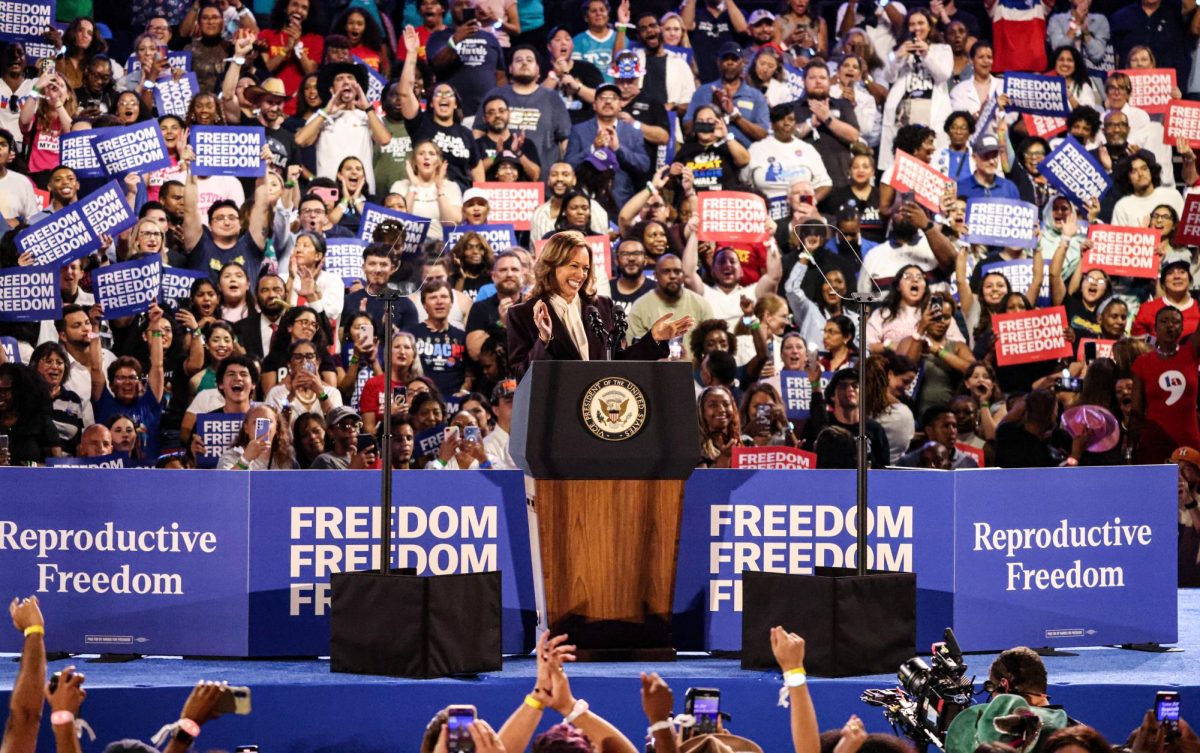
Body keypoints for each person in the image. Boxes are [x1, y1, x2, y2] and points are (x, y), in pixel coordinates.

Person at [508, 231, 693, 377]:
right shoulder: (522, 314)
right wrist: (544, 340)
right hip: (557, 412)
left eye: (585, 268)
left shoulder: (601, 307)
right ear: (552, 265)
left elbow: (618, 361)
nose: (581, 275)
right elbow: (520, 375)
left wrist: (654, 338)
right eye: (574, 266)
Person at [1132, 305, 1200, 463]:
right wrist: (1131, 446)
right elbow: (1136, 412)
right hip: (1153, 444)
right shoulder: (1142, 363)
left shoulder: (1191, 353)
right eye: (1164, 321)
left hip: (1189, 443)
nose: (1170, 325)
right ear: (1155, 328)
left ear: (1183, 327)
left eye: (1175, 322)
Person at [427, 0, 508, 114]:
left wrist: (501, 103)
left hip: (486, 113)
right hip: (453, 113)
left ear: (475, 7)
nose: (464, 8)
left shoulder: (490, 38)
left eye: (468, 5)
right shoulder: (439, 36)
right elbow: (437, 63)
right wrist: (455, 40)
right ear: (450, 9)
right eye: (458, 5)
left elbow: (500, 77)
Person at [801, 369, 890, 467]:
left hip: (864, 481)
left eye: (855, 385)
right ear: (832, 396)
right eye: (843, 386)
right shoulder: (820, 426)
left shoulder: (875, 430)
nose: (850, 389)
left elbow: (884, 469)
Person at [217, 405, 297, 469]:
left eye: (268, 421)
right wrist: (245, 459)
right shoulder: (231, 456)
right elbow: (225, 485)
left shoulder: (286, 460)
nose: (261, 427)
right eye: (256, 422)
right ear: (246, 428)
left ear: (277, 428)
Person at [310, 405, 378, 469]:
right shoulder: (325, 460)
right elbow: (331, 482)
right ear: (330, 432)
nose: (351, 429)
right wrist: (353, 469)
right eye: (344, 425)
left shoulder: (365, 458)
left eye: (355, 425)